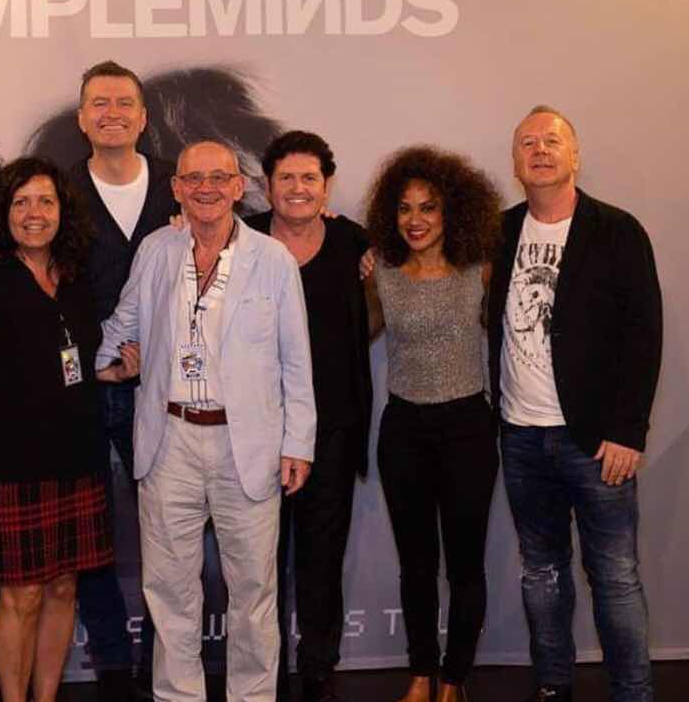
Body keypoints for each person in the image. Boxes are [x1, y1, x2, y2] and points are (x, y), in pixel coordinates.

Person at [97, 140, 317, 702]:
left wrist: (298, 442)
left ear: (239, 187)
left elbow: (296, 360)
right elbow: (125, 322)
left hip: (248, 445)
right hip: (168, 439)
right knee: (169, 590)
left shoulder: (273, 259)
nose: (206, 189)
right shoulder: (156, 250)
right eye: (193, 179)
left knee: (254, 592)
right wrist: (96, 361)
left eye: (219, 178)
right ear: (176, 189)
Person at [0, 157, 124, 702]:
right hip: (8, 467)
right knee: (23, 597)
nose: (34, 214)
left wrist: (110, 371)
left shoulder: (73, 278)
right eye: (21, 203)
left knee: (63, 589)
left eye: (45, 201)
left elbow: (65, 360)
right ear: (4, 212)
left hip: (77, 460)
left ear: (63, 211)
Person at [489, 106, 662, 702]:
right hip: (520, 435)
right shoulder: (499, 231)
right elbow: (427, 256)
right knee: (541, 572)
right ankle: (553, 686)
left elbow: (644, 335)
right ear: (515, 162)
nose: (540, 150)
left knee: (614, 576)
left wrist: (628, 431)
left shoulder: (617, 231)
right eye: (527, 143)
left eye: (552, 141)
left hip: (595, 442)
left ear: (575, 156)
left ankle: (633, 692)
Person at [364, 145, 502, 702]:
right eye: (404, 208)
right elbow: (355, 333)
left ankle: (454, 679)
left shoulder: (481, 269)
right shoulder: (382, 273)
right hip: (404, 431)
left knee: (465, 566)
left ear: (453, 212)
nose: (415, 219)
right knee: (416, 566)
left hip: (467, 428)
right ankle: (421, 672)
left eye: (428, 207)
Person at [243, 131, 373, 702]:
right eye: (287, 178)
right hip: (257, 429)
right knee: (259, 563)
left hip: (332, 428)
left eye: (310, 178)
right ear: (266, 185)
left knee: (322, 558)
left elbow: (382, 306)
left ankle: (318, 670)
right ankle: (262, 675)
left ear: (327, 185)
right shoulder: (241, 238)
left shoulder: (352, 241)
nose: (298, 188)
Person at [68, 60, 178, 699]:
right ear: (82, 118)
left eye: (124, 103)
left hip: (166, 389)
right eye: (99, 103)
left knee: (168, 532)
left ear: (143, 117)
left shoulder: (180, 185)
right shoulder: (57, 193)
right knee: (90, 535)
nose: (112, 113)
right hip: (84, 390)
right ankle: (112, 664)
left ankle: (162, 660)